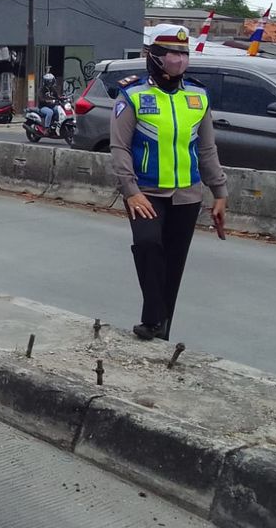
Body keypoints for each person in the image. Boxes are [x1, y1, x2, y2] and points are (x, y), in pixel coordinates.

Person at [110, 23, 228, 341]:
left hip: (187, 194)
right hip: (146, 192)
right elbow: (119, 148)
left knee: (174, 266)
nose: (178, 59)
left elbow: (206, 149)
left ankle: (160, 331)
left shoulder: (198, 96)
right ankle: (152, 318)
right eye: (171, 53)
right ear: (153, 56)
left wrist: (219, 192)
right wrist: (130, 191)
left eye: (183, 53)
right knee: (148, 245)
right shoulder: (132, 94)